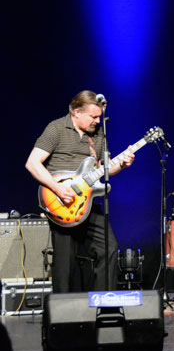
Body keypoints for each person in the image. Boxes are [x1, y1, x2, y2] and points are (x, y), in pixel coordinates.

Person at [25, 90, 135, 293]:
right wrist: (57, 188)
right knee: (65, 262)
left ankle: (104, 302)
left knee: (109, 249)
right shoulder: (56, 128)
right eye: (93, 117)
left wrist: (122, 164)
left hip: (88, 202)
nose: (97, 121)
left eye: (99, 117)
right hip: (61, 202)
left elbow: (104, 169)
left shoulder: (98, 135)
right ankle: (62, 309)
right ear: (76, 112)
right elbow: (32, 163)